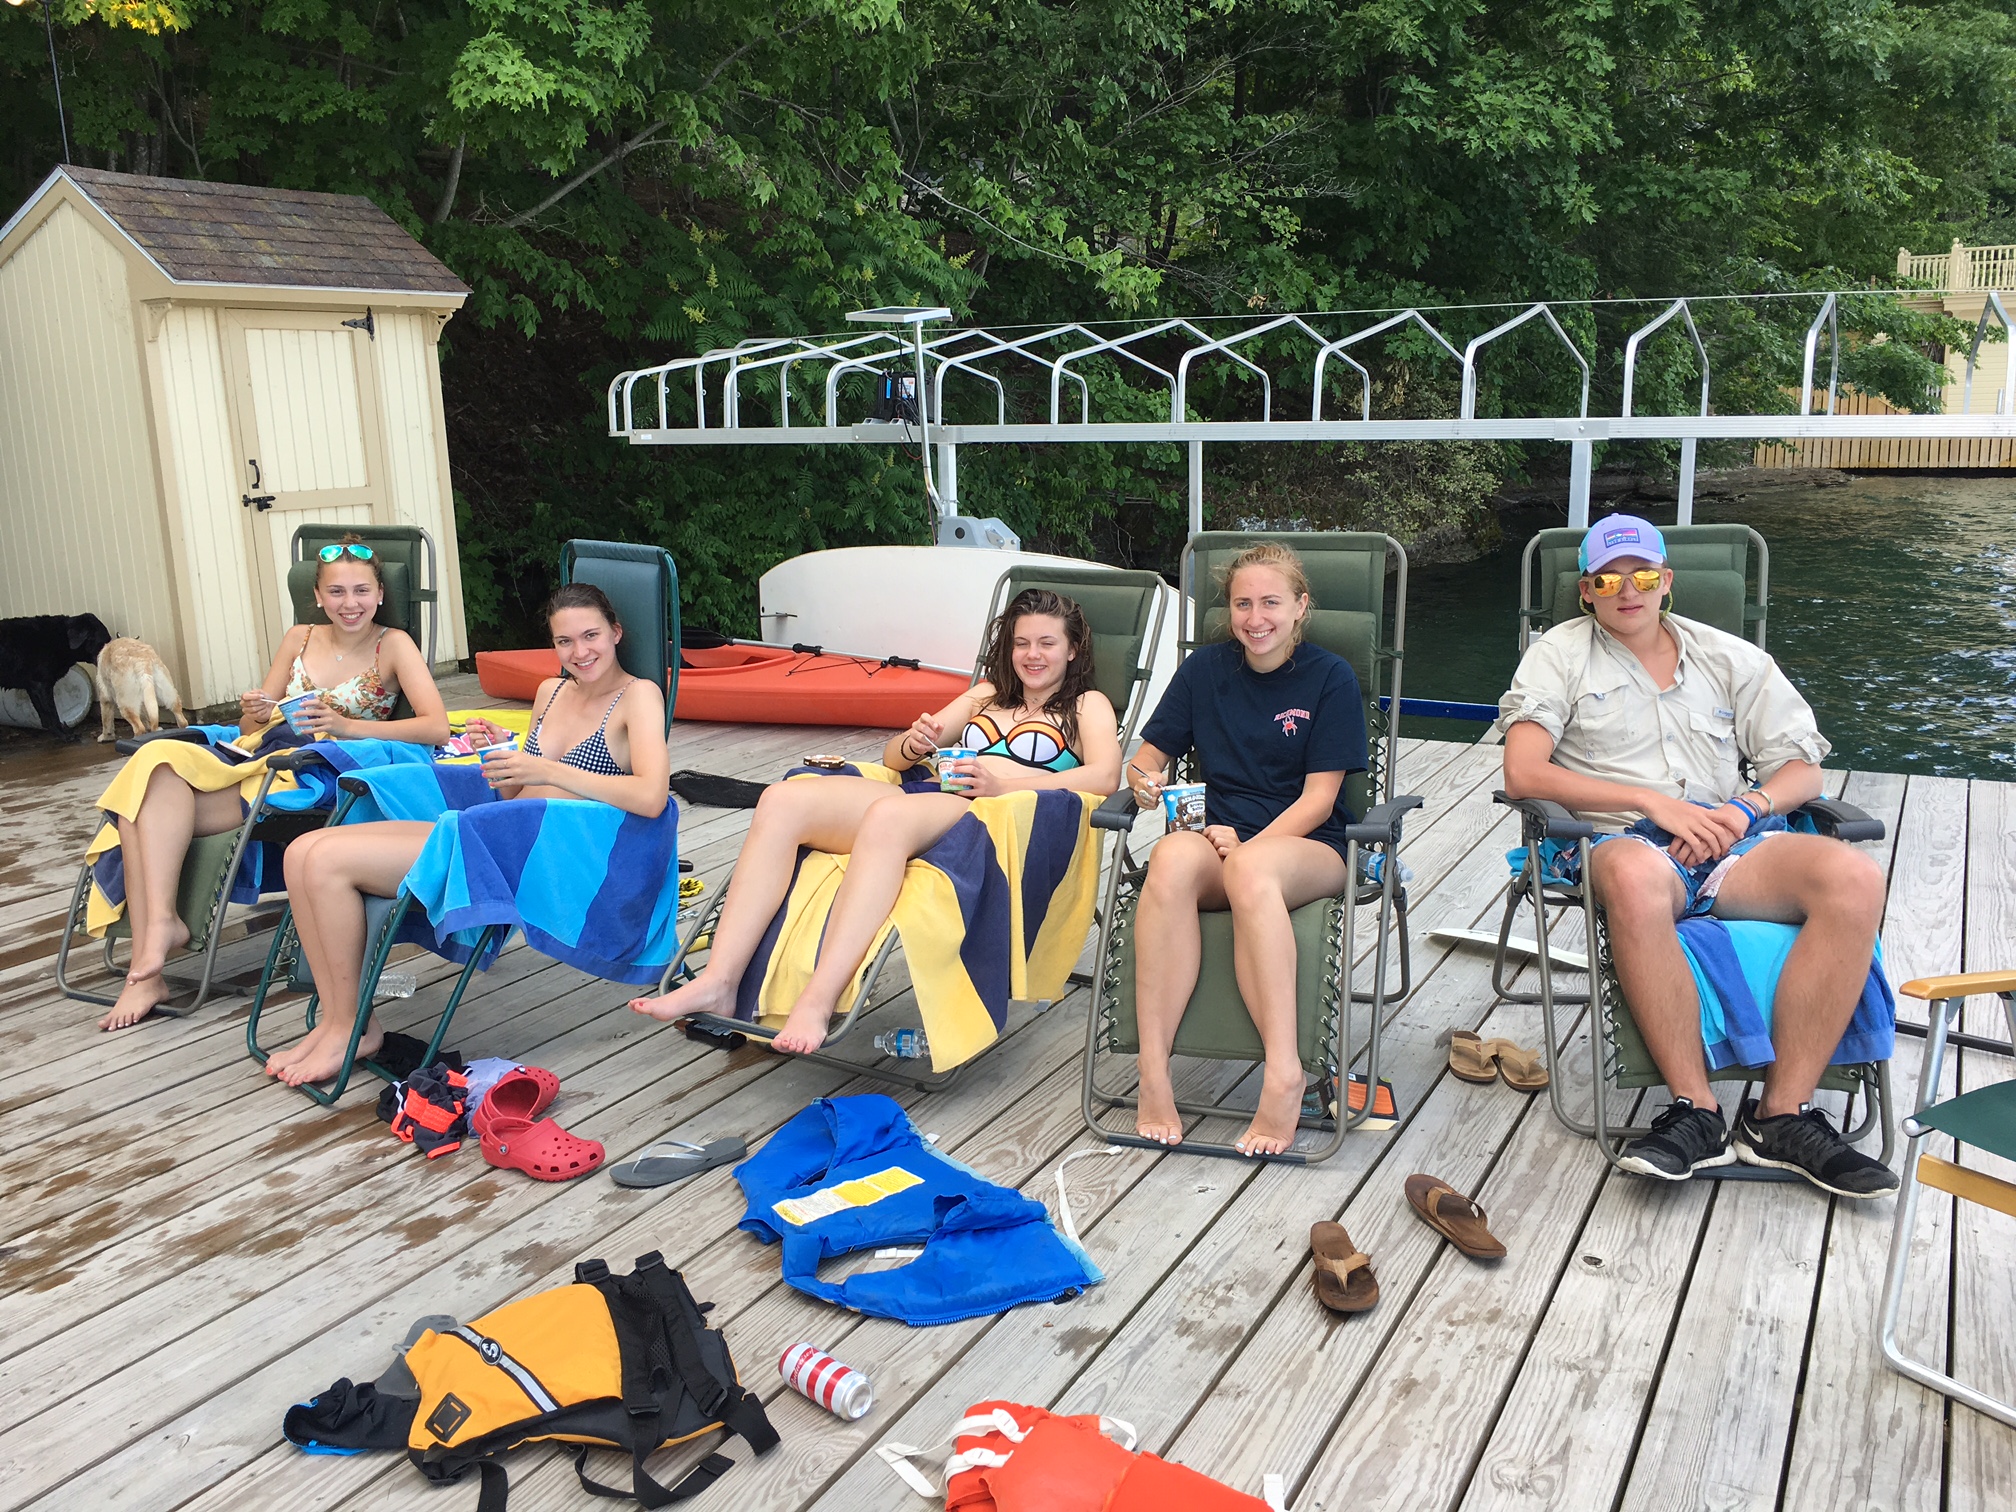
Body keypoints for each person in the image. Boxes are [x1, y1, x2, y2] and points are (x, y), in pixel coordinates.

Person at [1498, 514, 1896, 1197]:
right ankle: (1697, 1110)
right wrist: (1651, 803)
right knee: (1631, 871)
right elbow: (1523, 772)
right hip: (1617, 840)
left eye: (1643, 576)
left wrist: (1745, 808)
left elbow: (1802, 770)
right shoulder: (1558, 654)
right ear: (1587, 590)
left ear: (1667, 583)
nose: (1629, 590)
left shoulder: (1730, 658)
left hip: (1726, 840)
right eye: (1609, 579)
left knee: (1854, 878)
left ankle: (1782, 1115)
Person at [629, 587, 1121, 1053]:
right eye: (1021, 643)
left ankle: (817, 1002)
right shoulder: (986, 695)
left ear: (1073, 650)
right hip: (926, 793)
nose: (1032, 655)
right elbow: (893, 758)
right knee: (782, 801)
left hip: (991, 817)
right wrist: (916, 741)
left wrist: (1002, 785)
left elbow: (1104, 776)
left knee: (888, 816)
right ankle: (719, 981)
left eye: (1046, 643)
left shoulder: (1085, 705)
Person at [263, 583, 669, 1088]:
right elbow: (518, 787)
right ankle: (336, 1021)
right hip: (494, 833)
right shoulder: (552, 690)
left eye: (591, 636)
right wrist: (503, 754)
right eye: (565, 642)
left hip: (544, 857)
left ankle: (353, 1027)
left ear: (616, 632)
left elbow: (652, 796)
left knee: (326, 862)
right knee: (301, 852)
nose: (579, 652)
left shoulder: (638, 696)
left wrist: (545, 767)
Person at [96, 538, 450, 1032]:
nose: (351, 603)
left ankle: (147, 963)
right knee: (155, 761)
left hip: (318, 770)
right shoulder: (298, 637)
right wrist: (254, 710)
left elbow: (437, 728)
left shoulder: (393, 645)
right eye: (338, 592)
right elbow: (249, 728)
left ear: (380, 594)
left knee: (143, 806)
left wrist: (347, 726)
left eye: (362, 591)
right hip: (265, 753)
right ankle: (159, 930)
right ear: (319, 598)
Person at [1125, 542, 1367, 1158]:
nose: (1255, 618)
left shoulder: (1329, 677)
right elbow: (1150, 753)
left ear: (1300, 606)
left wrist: (1249, 846)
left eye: (1270, 603)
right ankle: (1154, 1071)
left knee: (1252, 870)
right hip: (1217, 839)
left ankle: (1283, 1073)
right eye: (1242, 604)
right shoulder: (1205, 671)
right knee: (1172, 858)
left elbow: (1319, 800)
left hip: (1306, 846)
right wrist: (1143, 777)